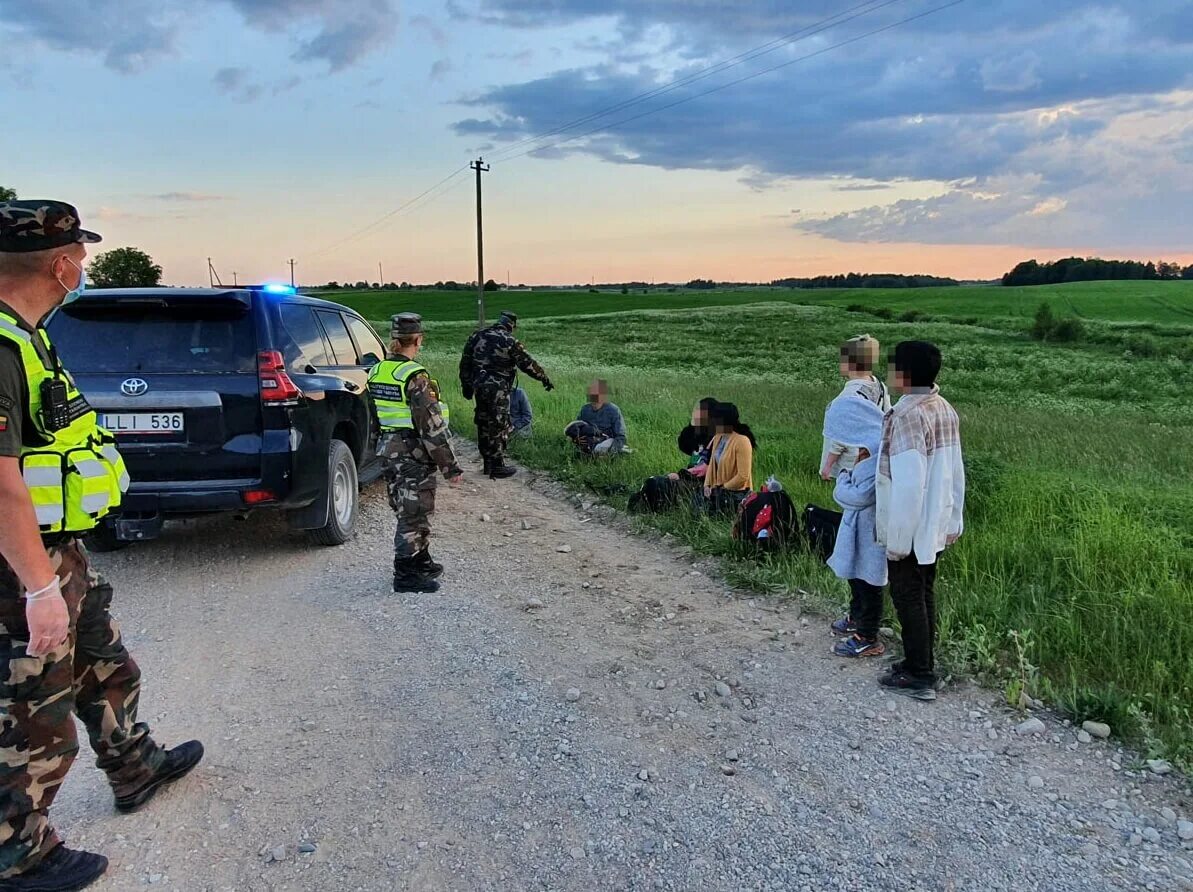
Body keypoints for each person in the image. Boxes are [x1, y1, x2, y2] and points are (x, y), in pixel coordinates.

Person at [0, 200, 203, 891]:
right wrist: (37, 589)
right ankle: (18, 856)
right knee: (34, 711)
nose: (83, 267)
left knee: (105, 663)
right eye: (80, 257)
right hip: (19, 560)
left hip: (59, 549)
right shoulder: (0, 346)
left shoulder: (30, 334)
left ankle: (134, 766)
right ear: (59, 265)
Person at [876, 340, 965, 701]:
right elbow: (956, 470)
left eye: (892, 365)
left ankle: (919, 674)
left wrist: (898, 540)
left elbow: (909, 483)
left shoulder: (909, 415)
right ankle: (921, 661)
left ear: (904, 374)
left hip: (911, 526)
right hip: (937, 521)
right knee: (925, 591)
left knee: (908, 595)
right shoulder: (944, 408)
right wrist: (954, 520)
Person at [369, 313, 464, 594]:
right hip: (412, 453)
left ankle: (422, 560)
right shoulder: (414, 376)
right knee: (413, 512)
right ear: (418, 340)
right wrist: (451, 467)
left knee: (408, 506)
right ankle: (406, 575)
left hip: (388, 450)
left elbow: (373, 416)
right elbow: (431, 426)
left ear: (394, 340)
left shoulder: (377, 371)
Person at [823, 394, 887, 658]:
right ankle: (855, 616)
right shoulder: (867, 449)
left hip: (872, 531)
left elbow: (860, 496)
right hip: (856, 527)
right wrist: (847, 482)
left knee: (870, 581)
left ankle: (868, 635)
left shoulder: (880, 452)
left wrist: (843, 482)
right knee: (855, 577)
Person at [458, 311, 553, 479]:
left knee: (483, 421)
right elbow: (527, 363)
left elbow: (465, 363)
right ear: (512, 326)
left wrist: (466, 386)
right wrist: (544, 378)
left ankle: (488, 462)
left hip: (479, 387)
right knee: (498, 423)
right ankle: (497, 465)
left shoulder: (477, 336)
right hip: (499, 388)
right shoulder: (509, 340)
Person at [820, 334, 891, 480]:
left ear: (851, 363)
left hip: (850, 462)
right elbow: (887, 416)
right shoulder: (880, 386)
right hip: (871, 457)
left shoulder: (849, 396)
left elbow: (840, 434)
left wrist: (827, 466)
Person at [699, 402, 756, 516]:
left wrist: (723, 488)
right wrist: (707, 485)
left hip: (736, 493)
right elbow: (712, 465)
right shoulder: (718, 437)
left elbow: (743, 476)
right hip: (718, 490)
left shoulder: (742, 441)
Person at [564, 379, 629, 456]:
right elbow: (576, 426)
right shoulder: (585, 409)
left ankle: (620, 452)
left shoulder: (613, 410)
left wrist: (611, 452)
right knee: (568, 441)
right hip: (587, 440)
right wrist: (575, 439)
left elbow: (621, 436)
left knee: (606, 448)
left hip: (606, 441)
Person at [669, 397, 717, 486]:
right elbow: (683, 445)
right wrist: (692, 425)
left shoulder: (717, 437)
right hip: (690, 474)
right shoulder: (699, 433)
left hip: (704, 482)